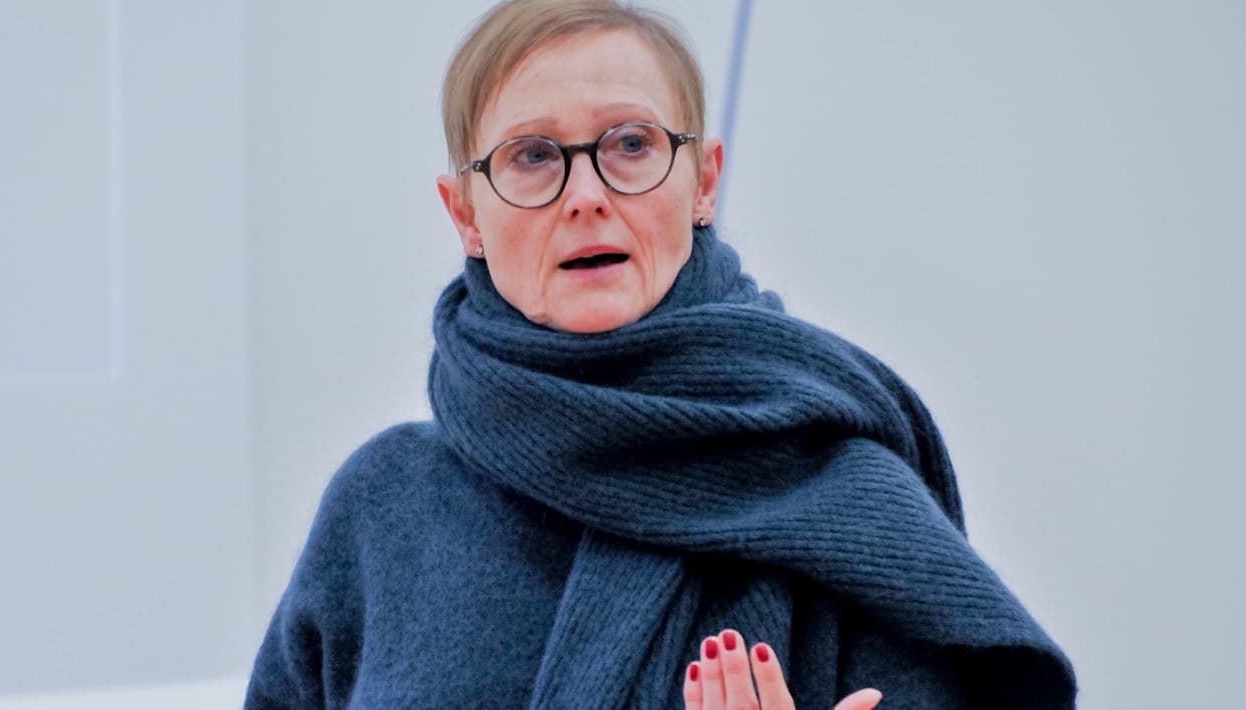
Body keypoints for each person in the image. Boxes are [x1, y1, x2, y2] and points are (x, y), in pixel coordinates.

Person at [244, 1, 1076, 708]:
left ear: (703, 181)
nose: (585, 196)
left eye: (631, 145)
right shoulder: (381, 506)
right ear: (465, 214)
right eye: (532, 157)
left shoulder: (846, 500)